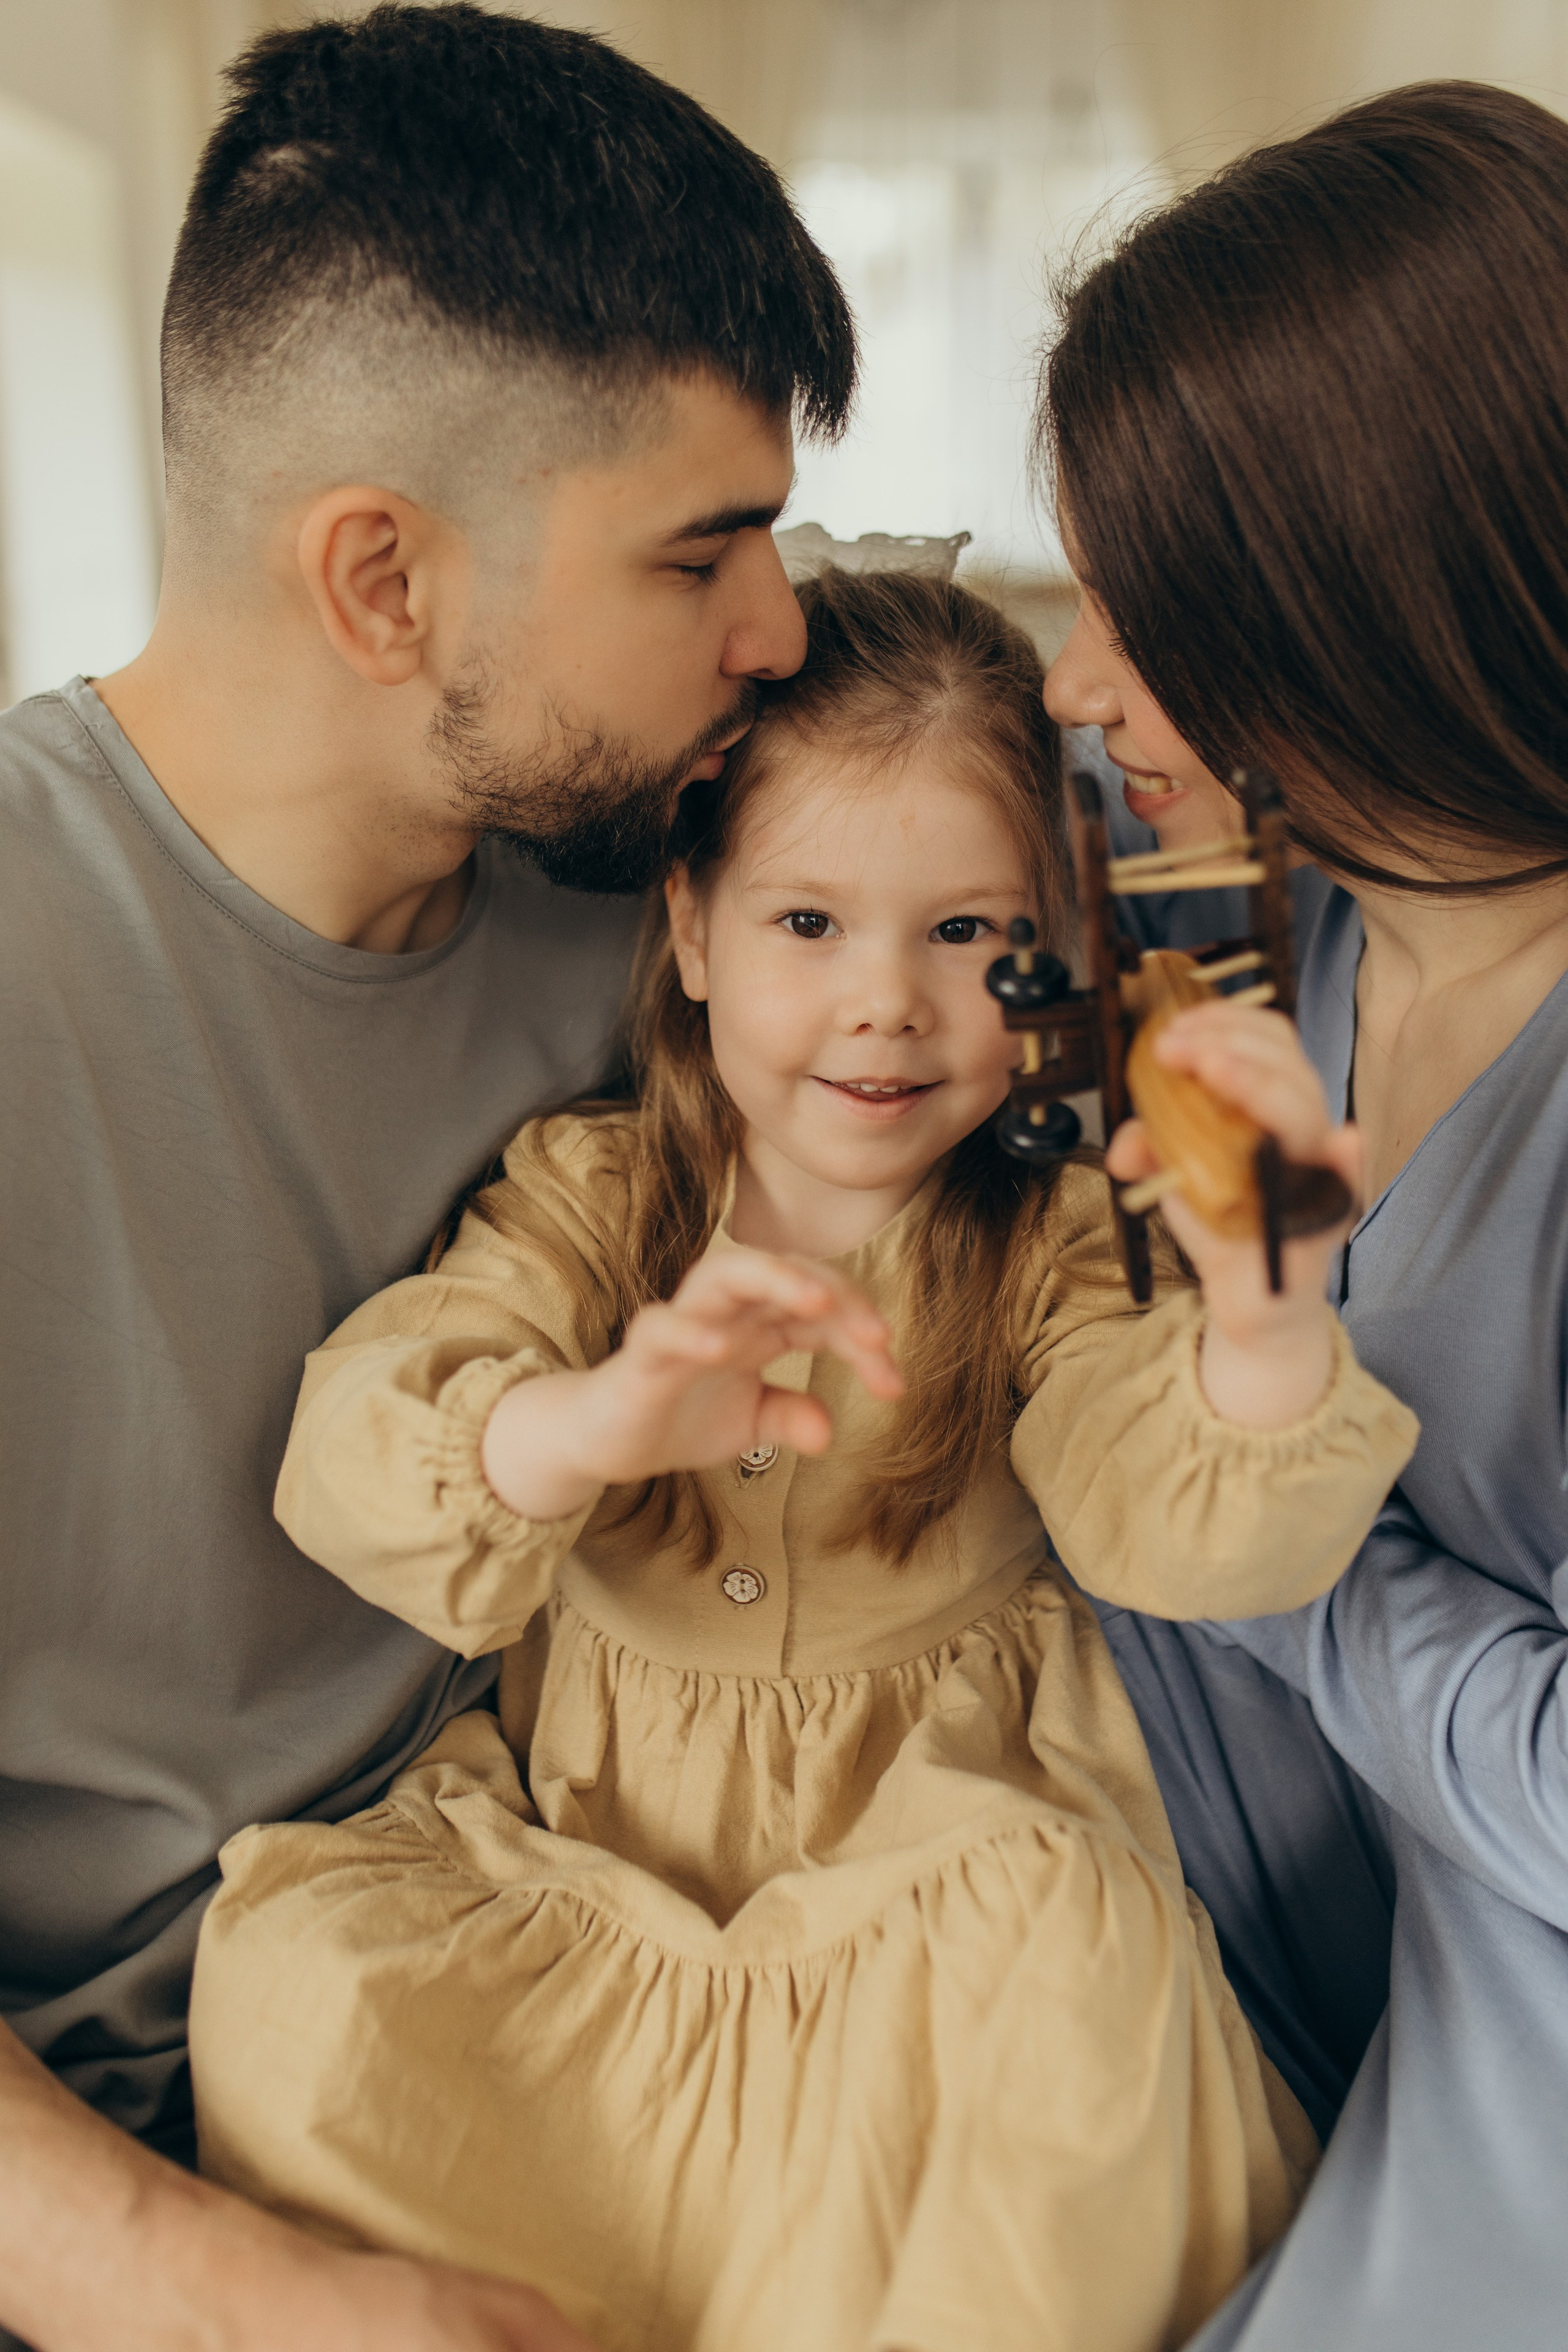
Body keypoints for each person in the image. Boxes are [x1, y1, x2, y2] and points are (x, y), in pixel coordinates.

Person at [187, 567, 1415, 2352]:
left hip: (935, 1911)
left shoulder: (1054, 1238)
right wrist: (593, 1423)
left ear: (1050, 957)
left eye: (965, 931)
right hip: (597, 1893)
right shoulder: (597, 1196)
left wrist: (1265, 1318)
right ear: (692, 933)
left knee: (1080, 1953)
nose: (887, 1004)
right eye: (811, 924)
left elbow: (1178, 1525)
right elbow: (365, 1438)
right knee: (298, 1981)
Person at [0, 7, 860, 2348]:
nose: (777, 630)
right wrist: (234, 2296)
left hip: (583, 1976)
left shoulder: (657, 909)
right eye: (703, 554)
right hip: (127, 2176)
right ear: (382, 582)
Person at [1039, 80, 1568, 2349]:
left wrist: (1269, 1554)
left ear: (1358, 602)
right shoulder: (1291, 932)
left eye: (1137, 610)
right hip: (1232, 1978)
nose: (1077, 676)